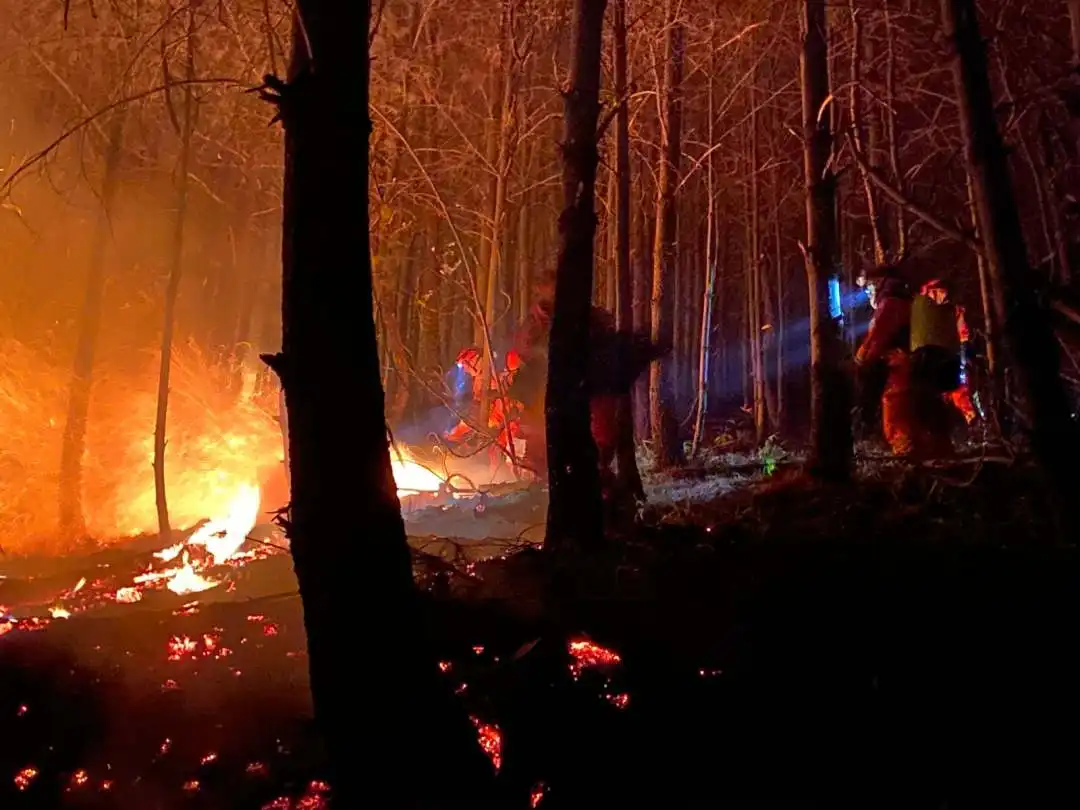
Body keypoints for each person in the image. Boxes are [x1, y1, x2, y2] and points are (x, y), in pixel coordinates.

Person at [855, 266, 920, 457]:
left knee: (895, 408)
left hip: (897, 365)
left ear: (878, 284)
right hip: (907, 364)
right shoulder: (907, 302)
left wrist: (861, 359)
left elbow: (877, 337)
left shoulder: (890, 305)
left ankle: (906, 456)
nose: (867, 294)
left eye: (869, 289)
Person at [918, 279, 978, 426]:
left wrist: (963, 352)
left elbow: (963, 332)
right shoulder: (927, 313)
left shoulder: (953, 310)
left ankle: (974, 421)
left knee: (960, 390)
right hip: (934, 354)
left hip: (953, 352)